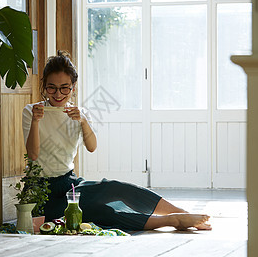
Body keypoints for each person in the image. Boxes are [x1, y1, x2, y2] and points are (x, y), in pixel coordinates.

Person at [22, 50, 211, 231]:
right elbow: (33, 154)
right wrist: (37, 122)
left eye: (65, 88)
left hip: (70, 184)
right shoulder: (32, 111)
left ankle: (183, 213)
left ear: (73, 87)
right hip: (42, 192)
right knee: (103, 212)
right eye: (52, 88)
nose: (58, 94)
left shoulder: (79, 114)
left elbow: (92, 147)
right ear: (44, 86)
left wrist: (83, 121)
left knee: (113, 187)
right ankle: (172, 221)